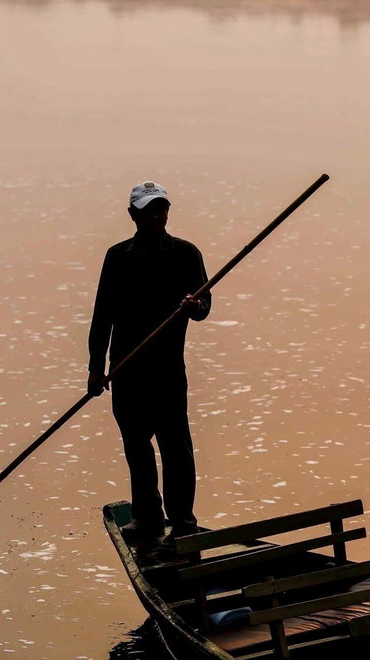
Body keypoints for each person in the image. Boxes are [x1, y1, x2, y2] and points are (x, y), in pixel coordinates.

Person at [87, 181, 211, 544]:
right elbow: (102, 316)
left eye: (162, 208)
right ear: (133, 215)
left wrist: (195, 306)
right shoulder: (118, 256)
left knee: (176, 448)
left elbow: (205, 307)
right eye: (149, 210)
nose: (157, 215)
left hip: (168, 370)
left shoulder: (186, 254)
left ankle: (183, 521)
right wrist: (96, 368)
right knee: (137, 448)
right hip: (126, 370)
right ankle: (147, 518)